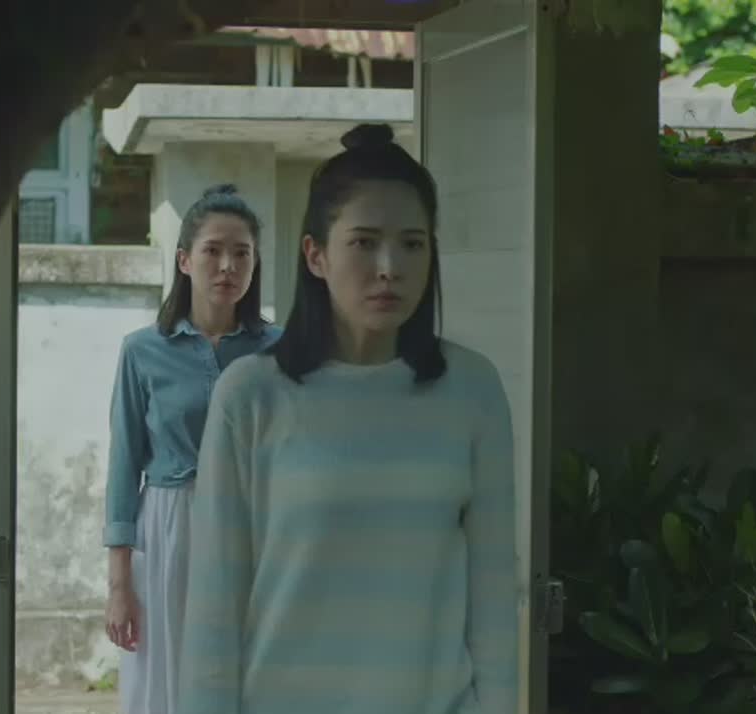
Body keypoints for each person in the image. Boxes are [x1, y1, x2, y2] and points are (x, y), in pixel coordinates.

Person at [179, 124, 520, 714]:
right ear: (316, 254)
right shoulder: (252, 395)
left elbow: (493, 603)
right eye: (364, 242)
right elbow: (214, 611)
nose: (390, 267)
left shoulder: (472, 390)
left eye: (412, 244)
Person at [103, 183, 282, 714]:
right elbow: (123, 468)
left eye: (242, 253)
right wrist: (119, 585)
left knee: (249, 670)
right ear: (184, 260)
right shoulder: (142, 351)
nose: (228, 266)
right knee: (167, 673)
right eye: (213, 251)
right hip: (169, 525)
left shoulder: (279, 351)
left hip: (254, 523)